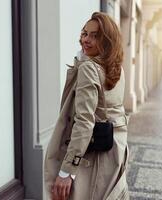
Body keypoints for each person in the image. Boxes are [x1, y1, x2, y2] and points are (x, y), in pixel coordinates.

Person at [44, 12, 129, 200]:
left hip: (92, 156)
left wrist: (67, 171)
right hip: (114, 152)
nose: (86, 40)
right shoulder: (116, 68)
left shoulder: (88, 68)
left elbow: (84, 122)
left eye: (95, 35)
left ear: (107, 40)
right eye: (84, 33)